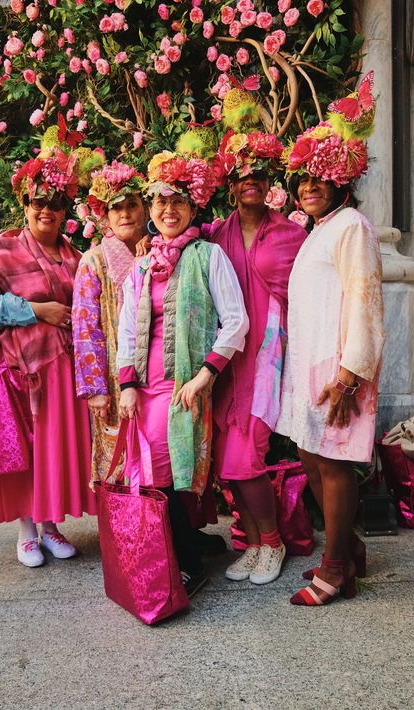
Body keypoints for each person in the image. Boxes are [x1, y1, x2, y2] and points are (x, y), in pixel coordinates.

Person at [117, 149, 249, 597]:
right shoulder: (140, 266)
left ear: (194, 208)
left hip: (184, 387)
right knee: (157, 473)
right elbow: (125, 328)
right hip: (146, 387)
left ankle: (186, 562)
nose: (168, 211)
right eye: (159, 203)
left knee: (171, 472)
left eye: (178, 202)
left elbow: (236, 322)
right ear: (150, 211)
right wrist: (127, 384)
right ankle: (178, 555)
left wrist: (204, 376)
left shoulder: (208, 256)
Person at [0, 143, 99, 567]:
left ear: (65, 210)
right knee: (24, 450)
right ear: (25, 202)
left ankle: (50, 525)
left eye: (57, 203)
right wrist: (36, 310)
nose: (48, 210)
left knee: (53, 451)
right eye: (39, 201)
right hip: (20, 371)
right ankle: (26, 530)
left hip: (66, 373)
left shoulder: (78, 258)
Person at [280, 72, 385, 605]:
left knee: (334, 463)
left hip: (339, 367)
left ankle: (335, 565)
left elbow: (364, 300)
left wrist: (349, 374)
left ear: (343, 179)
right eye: (302, 179)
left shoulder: (353, 228)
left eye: (320, 177)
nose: (309, 186)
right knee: (311, 459)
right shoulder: (319, 229)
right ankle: (351, 548)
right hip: (309, 366)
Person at [205, 123, 307, 586]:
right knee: (227, 460)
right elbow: (176, 242)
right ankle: (252, 540)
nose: (252, 179)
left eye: (260, 173)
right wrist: (148, 236)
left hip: (266, 360)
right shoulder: (213, 234)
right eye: (242, 172)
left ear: (270, 185)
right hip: (225, 360)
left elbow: (310, 296)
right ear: (230, 184)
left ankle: (273, 542)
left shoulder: (291, 235)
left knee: (246, 457)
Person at [72, 161, 148, 484]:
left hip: (151, 372)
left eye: (132, 205)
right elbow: (84, 328)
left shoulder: (158, 251)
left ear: (145, 210)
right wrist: (95, 389)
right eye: (116, 208)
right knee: (116, 451)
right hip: (112, 380)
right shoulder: (94, 260)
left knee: (153, 452)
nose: (126, 214)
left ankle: (160, 530)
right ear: (105, 215)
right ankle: (122, 532)